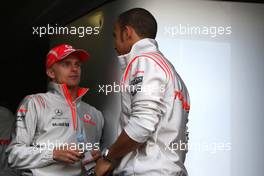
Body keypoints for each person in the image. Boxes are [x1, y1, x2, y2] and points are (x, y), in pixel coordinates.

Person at [95, 8, 190, 176]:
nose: (115, 45)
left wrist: (108, 157)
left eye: (115, 36)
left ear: (127, 32)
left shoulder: (144, 61)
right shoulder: (174, 75)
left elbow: (142, 125)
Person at [6, 44, 104, 176]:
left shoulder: (95, 114)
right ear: (51, 72)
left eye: (78, 64)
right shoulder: (35, 103)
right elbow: (13, 155)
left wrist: (93, 160)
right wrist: (52, 154)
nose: (74, 69)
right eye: (66, 64)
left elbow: (90, 162)